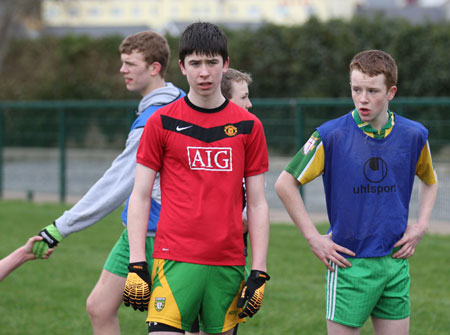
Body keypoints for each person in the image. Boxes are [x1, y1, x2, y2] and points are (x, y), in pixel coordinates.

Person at [31, 31, 185, 334]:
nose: (122, 70)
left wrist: (59, 228)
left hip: (163, 236)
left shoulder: (157, 117)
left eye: (130, 64)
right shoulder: (171, 99)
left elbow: (118, 182)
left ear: (154, 68)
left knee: (174, 325)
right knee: (100, 306)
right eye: (122, 62)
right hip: (138, 234)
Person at [275, 49, 438, 335]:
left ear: (391, 92)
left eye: (372, 90)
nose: (363, 98)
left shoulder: (414, 135)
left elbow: (430, 180)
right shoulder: (330, 135)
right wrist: (314, 238)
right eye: (356, 89)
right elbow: (285, 183)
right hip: (350, 264)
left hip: (395, 263)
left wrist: (421, 226)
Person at [123, 22, 270, 335]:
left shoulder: (249, 127)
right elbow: (140, 195)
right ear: (182, 67)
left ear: (225, 64)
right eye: (195, 63)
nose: (204, 72)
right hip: (173, 260)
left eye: (212, 62)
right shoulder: (161, 122)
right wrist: (137, 262)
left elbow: (257, 204)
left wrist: (259, 269)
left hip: (228, 264)